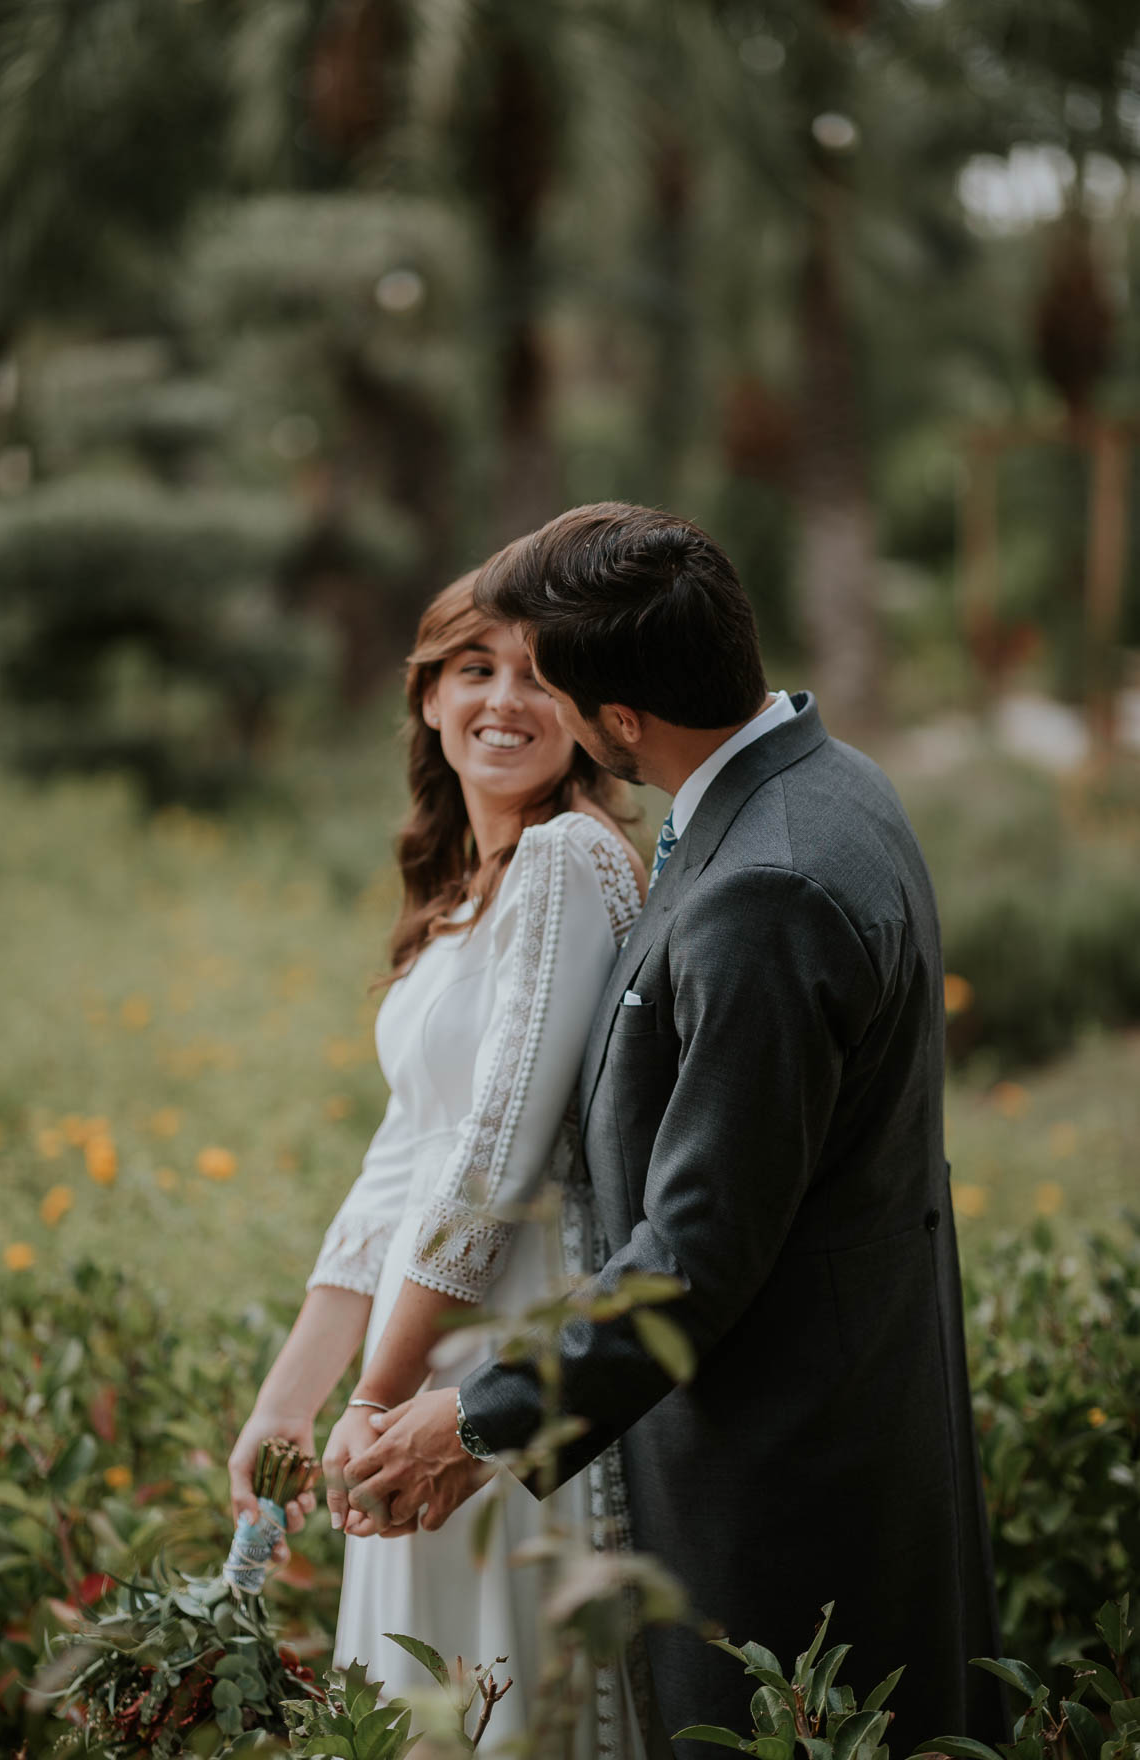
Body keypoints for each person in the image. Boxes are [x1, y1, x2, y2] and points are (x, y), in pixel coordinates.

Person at [343, 504, 1005, 1760]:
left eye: (551, 680)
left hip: (779, 1478)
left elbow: (699, 1248)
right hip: (848, 1414)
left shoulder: (767, 890)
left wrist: (479, 1415)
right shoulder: (826, 777)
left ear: (621, 719)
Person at [228, 569, 649, 1753]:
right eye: (476, 668)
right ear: (427, 698)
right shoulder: (463, 898)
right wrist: (288, 1400)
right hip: (423, 1347)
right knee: (420, 1708)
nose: (505, 699)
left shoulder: (572, 859)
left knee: (501, 1705)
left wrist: (375, 1398)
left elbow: (495, 1160)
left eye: (539, 672)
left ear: (586, 708)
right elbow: (400, 1162)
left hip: (504, 1364)